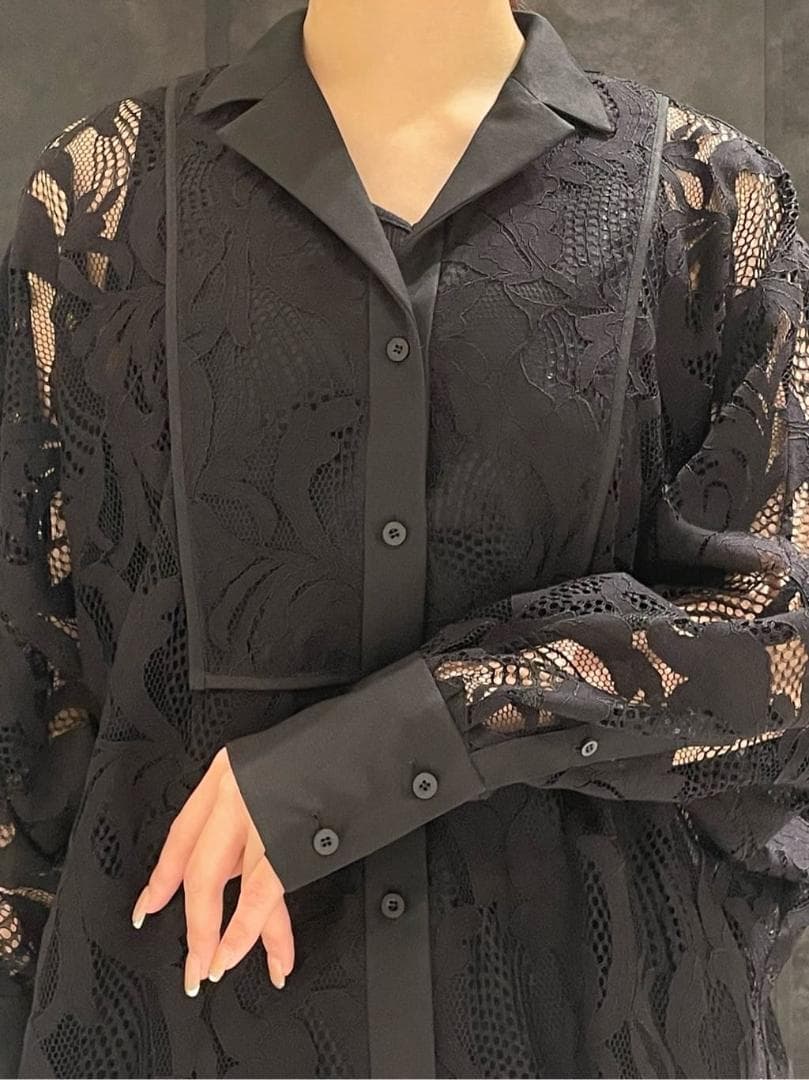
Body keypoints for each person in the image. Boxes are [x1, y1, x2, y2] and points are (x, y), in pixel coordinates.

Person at [3, 0, 809, 1075]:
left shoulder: (706, 204)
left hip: (580, 1026)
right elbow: (29, 670)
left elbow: (776, 647)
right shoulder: (105, 199)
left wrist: (385, 748)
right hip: (182, 1021)